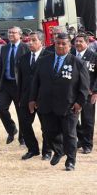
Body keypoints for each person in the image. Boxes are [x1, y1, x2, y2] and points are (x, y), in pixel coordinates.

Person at [29, 33, 90, 171]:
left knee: (69, 134)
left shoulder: (77, 63)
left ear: (70, 46)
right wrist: (32, 99)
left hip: (69, 105)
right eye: (58, 43)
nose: (60, 46)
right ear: (54, 44)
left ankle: (70, 160)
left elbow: (84, 86)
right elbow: (35, 82)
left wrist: (79, 102)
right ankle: (59, 150)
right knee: (49, 132)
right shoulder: (44, 60)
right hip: (47, 104)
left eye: (64, 44)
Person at [16, 31, 52, 160]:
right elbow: (20, 80)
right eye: (28, 40)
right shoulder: (23, 58)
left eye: (33, 40)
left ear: (41, 42)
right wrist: (19, 97)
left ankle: (47, 151)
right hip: (26, 98)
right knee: (24, 124)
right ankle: (32, 149)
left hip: (43, 98)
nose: (30, 42)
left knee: (46, 126)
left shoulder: (49, 57)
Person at [0, 26, 29, 145]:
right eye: (9, 32)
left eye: (13, 32)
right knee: (1, 108)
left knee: (21, 112)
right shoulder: (4, 48)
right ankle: (12, 130)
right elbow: (1, 65)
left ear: (20, 34)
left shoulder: (25, 48)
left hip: (19, 85)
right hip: (6, 84)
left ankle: (23, 137)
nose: (10, 34)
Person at [72, 33, 97, 154]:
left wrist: (95, 91)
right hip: (72, 93)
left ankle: (87, 144)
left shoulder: (94, 56)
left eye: (81, 41)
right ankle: (81, 139)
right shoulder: (70, 55)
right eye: (76, 41)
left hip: (89, 93)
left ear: (87, 43)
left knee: (87, 119)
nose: (78, 43)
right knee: (72, 119)